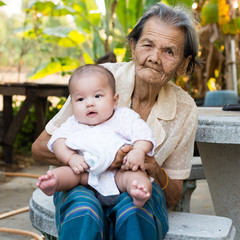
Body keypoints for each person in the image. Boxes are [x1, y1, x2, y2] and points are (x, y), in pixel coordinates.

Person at [32, 3, 200, 239]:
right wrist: (97, 159)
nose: (154, 58)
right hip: (82, 184)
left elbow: (173, 196)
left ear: (183, 63)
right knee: (84, 212)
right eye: (148, 45)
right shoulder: (98, 80)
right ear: (133, 46)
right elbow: (40, 149)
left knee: (134, 211)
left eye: (169, 51)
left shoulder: (185, 110)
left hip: (135, 190)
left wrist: (153, 167)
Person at [37, 64, 155, 208]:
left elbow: (143, 134)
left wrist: (138, 151)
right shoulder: (72, 124)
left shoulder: (124, 117)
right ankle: (53, 184)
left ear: (114, 100)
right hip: (85, 175)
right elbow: (57, 141)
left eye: (98, 96)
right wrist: (71, 158)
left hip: (118, 174)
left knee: (136, 176)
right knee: (66, 173)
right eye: (80, 99)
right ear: (72, 103)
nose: (89, 103)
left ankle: (138, 192)